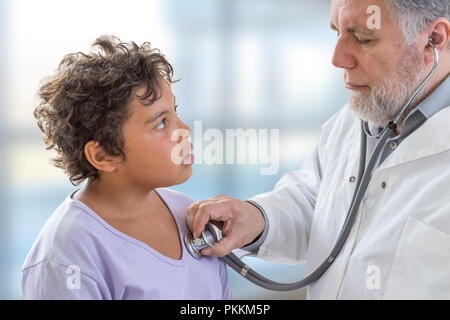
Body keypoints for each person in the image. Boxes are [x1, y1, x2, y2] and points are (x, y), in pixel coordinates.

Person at [187, 0, 450, 299]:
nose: (337, 58)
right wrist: (257, 218)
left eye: (363, 38)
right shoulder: (356, 120)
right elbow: (317, 202)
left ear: (434, 40)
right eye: (337, 33)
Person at [22, 35, 231, 300]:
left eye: (175, 112)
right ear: (104, 154)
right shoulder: (66, 256)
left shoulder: (188, 214)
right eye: (160, 123)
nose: (185, 131)